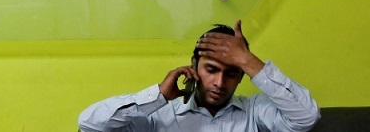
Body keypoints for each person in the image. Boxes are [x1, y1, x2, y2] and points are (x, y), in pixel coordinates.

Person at [78, 20, 321, 131]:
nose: (219, 83)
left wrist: (248, 60)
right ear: (194, 66)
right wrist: (159, 96)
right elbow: (89, 124)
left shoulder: (255, 114)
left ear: (242, 77)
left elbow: (306, 117)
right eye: (211, 69)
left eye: (232, 73)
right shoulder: (159, 116)